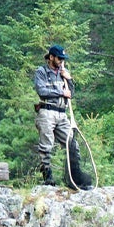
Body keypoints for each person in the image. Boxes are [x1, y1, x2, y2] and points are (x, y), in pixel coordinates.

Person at [32, 44, 76, 184]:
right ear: (51, 57)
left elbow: (71, 94)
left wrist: (68, 79)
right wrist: (61, 92)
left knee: (73, 145)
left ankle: (74, 179)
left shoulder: (64, 73)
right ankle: (48, 179)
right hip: (47, 112)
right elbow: (42, 91)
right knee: (46, 147)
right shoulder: (41, 72)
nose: (62, 61)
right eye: (59, 58)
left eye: (63, 59)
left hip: (62, 114)